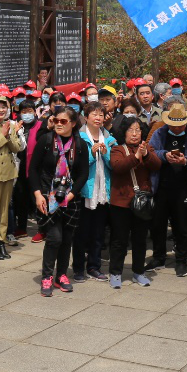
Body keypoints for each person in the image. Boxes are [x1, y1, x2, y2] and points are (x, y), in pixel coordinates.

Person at [148, 101, 187, 277]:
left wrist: (186, 161)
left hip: (184, 187)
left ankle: (181, 259)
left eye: (179, 124)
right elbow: (151, 152)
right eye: (172, 124)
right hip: (161, 186)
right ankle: (158, 256)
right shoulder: (159, 133)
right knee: (158, 224)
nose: (175, 128)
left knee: (182, 225)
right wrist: (164, 155)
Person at [33, 107, 88, 296]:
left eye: (63, 121)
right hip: (48, 197)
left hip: (70, 198)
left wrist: (71, 194)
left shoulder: (80, 145)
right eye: (56, 120)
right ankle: (47, 276)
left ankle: (61, 275)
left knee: (66, 238)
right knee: (54, 238)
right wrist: (38, 194)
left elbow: (83, 174)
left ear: (73, 124)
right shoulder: (46, 141)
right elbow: (33, 169)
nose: (58, 124)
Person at [107, 118, 160, 288]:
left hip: (142, 203)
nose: (135, 133)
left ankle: (139, 271)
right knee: (119, 240)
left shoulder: (147, 149)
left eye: (138, 130)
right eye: (131, 130)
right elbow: (118, 167)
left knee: (140, 239)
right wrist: (136, 157)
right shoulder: (117, 149)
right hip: (121, 202)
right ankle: (115, 273)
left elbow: (157, 165)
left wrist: (145, 155)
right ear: (124, 132)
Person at [74, 102, 116, 281]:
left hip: (102, 191)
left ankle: (94, 266)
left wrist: (105, 153)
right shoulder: (79, 137)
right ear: (86, 117)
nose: (98, 118)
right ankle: (77, 269)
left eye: (101, 115)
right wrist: (91, 153)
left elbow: (113, 164)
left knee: (98, 232)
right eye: (94, 115)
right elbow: (76, 165)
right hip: (85, 191)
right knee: (81, 233)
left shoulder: (109, 137)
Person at [0, 95, 24, 260]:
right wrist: (2, 135)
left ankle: (1, 241)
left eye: (4, 107)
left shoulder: (9, 125)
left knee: (4, 210)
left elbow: (17, 148)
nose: (1, 110)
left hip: (8, 172)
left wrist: (9, 134)